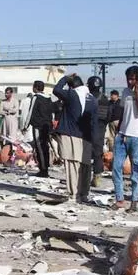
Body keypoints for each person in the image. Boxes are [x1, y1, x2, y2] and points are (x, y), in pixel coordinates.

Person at [112, 66, 138, 212]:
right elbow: (123, 111)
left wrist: (136, 93)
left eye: (133, 79)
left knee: (135, 171)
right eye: (128, 78)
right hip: (122, 135)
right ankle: (120, 199)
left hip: (137, 137)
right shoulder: (124, 92)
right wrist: (118, 129)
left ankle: (134, 201)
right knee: (116, 168)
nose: (130, 81)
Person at [53, 74, 98, 203]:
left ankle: (74, 194)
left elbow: (56, 90)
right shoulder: (92, 99)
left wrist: (65, 78)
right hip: (87, 137)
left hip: (70, 134)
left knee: (72, 165)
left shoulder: (72, 95)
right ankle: (83, 194)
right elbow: (94, 122)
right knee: (85, 166)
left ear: (72, 86)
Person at [24, 81, 53, 178]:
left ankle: (43, 169)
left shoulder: (36, 98)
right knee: (45, 147)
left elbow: (31, 112)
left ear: (35, 88)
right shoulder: (49, 98)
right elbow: (51, 113)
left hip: (38, 126)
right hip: (47, 126)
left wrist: (26, 126)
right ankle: (45, 168)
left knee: (39, 147)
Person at [88, 76, 111, 187]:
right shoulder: (105, 99)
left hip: (87, 129)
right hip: (100, 129)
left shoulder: (87, 98)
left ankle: (85, 177)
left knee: (86, 154)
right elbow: (108, 116)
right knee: (98, 155)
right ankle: (97, 177)